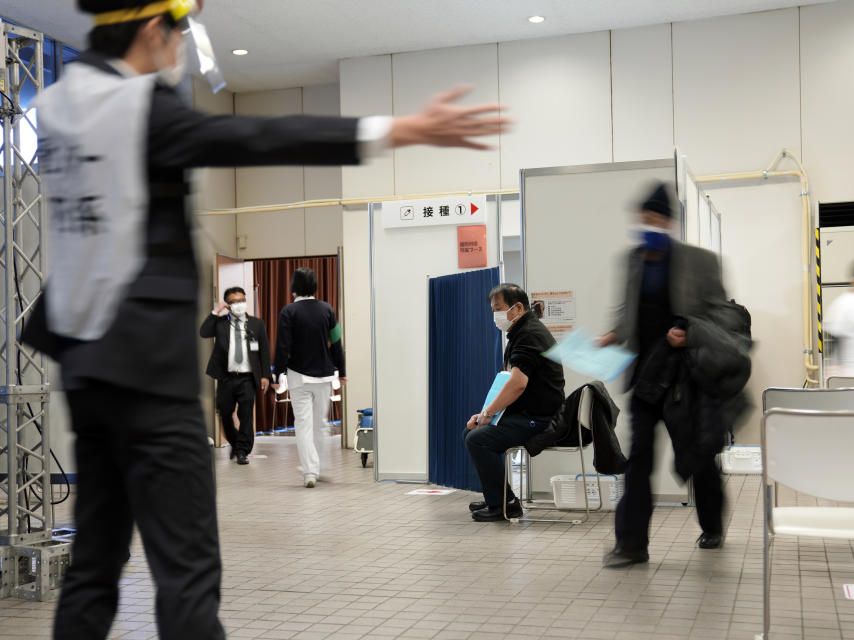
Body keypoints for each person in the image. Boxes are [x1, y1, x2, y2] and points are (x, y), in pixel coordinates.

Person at [22, 1, 508, 637]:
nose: (180, 54)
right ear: (149, 30)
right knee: (188, 570)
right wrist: (401, 130)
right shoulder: (138, 109)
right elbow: (256, 137)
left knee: (94, 562)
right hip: (148, 372)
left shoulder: (56, 106)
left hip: (87, 367)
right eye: (179, 36)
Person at [597, 182, 730, 567]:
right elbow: (627, 312)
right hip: (645, 377)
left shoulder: (700, 261)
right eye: (643, 217)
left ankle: (712, 523)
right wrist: (610, 335)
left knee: (696, 456)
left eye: (655, 217)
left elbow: (722, 313)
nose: (647, 223)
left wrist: (689, 332)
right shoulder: (633, 260)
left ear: (669, 222)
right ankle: (631, 544)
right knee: (639, 458)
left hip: (685, 377)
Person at [464, 284, 566, 522]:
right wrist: (483, 415)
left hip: (540, 418)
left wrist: (489, 412)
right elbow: (506, 383)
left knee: (478, 440)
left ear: (518, 307)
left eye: (498, 309)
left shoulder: (529, 334)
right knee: (472, 432)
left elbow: (518, 384)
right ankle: (496, 497)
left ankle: (506, 504)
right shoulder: (521, 332)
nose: (495, 316)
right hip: (527, 413)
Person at [273, 268, 346, 488]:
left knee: (303, 425)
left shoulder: (288, 312)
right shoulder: (327, 309)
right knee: (320, 424)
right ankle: (321, 467)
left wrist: (278, 373)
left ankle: (310, 472)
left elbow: (283, 346)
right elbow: (337, 343)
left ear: (293, 287)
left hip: (299, 376)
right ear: (315, 286)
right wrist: (341, 371)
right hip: (324, 376)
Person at [199, 286, 270, 465]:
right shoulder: (221, 323)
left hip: (247, 377)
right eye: (234, 302)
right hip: (226, 377)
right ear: (228, 304)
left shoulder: (256, 324)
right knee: (225, 412)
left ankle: (242, 451)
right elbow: (204, 332)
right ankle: (235, 441)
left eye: (242, 300)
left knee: (246, 415)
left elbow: (265, 352)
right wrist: (216, 310)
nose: (239, 304)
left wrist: (266, 375)